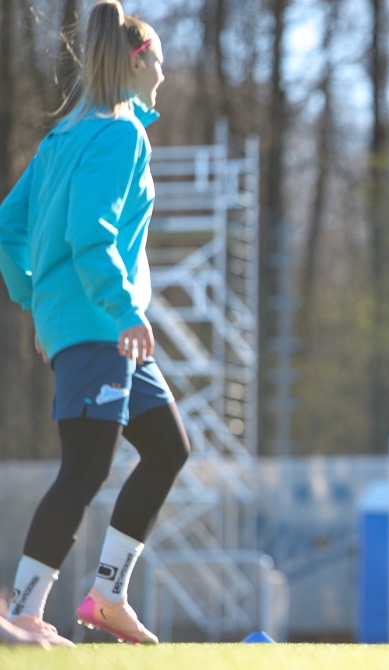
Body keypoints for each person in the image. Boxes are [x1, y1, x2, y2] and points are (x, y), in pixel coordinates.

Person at [0, 1, 189, 646]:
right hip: (103, 325)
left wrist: (33, 299)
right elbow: (90, 234)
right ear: (139, 62)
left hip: (89, 324)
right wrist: (124, 310)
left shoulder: (60, 138)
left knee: (167, 448)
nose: (165, 74)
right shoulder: (118, 134)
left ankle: (108, 595)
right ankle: (23, 613)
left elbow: (8, 225)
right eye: (160, 61)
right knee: (84, 469)